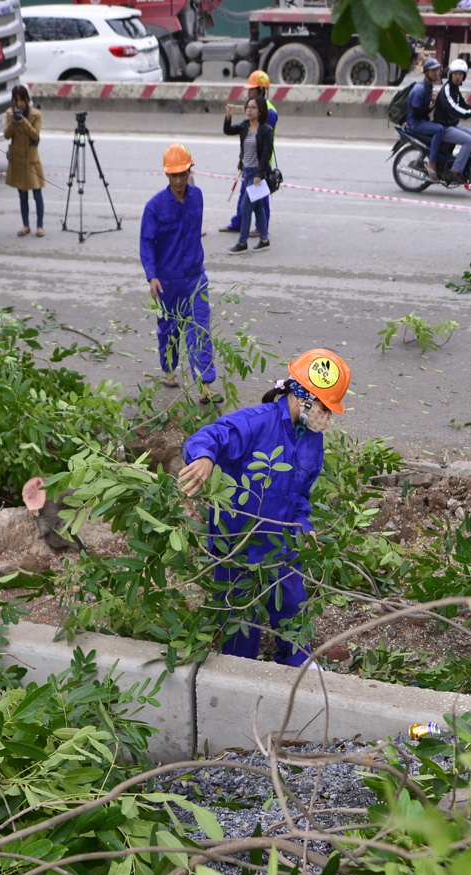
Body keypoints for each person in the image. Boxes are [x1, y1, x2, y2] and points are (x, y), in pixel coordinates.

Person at [176, 350, 351, 666]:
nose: (328, 416)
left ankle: (297, 664)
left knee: (292, 607)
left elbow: (300, 496)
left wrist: (303, 525)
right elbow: (210, 437)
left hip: (282, 548)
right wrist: (203, 457)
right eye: (327, 407)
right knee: (239, 621)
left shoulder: (312, 442)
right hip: (238, 546)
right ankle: (240, 672)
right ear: (305, 397)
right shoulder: (255, 424)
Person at [141, 145, 215, 401]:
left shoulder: (198, 197)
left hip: (195, 277)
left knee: (200, 330)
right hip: (167, 281)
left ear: (189, 170)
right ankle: (168, 368)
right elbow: (146, 242)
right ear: (166, 175)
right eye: (174, 175)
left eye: (183, 173)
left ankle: (205, 384)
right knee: (169, 330)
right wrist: (152, 276)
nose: (180, 180)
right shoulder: (154, 207)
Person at [221, 71, 278, 234]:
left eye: (252, 89)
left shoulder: (269, 112)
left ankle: (261, 229)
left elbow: (264, 143)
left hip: (261, 164)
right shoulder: (253, 110)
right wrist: (242, 159)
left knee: (261, 198)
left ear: (261, 90)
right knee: (243, 194)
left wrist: (261, 169)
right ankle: (238, 223)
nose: (248, 92)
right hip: (249, 162)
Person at [222, 97, 274, 253]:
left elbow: (266, 154)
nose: (249, 110)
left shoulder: (266, 130)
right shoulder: (245, 126)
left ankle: (242, 242)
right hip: (247, 171)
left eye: (253, 107)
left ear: (260, 111)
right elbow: (228, 130)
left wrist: (260, 174)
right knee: (257, 207)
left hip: (257, 174)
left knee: (245, 208)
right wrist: (228, 115)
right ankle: (264, 240)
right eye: (247, 107)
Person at [3, 86, 46, 238]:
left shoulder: (35, 115)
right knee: (22, 195)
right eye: (17, 100)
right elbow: (7, 135)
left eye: (22, 100)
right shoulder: (10, 114)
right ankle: (25, 225)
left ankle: (40, 225)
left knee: (37, 193)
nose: (19, 104)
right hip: (18, 160)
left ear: (27, 99)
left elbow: (35, 135)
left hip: (31, 160)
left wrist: (23, 121)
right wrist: (13, 122)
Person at [432, 58, 471, 181]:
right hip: (444, 127)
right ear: (450, 75)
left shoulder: (455, 89)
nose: (457, 77)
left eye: (460, 74)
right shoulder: (447, 90)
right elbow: (454, 109)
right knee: (469, 141)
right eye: (455, 74)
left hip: (452, 125)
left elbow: (464, 104)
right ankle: (455, 171)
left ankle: (465, 165)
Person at [404, 60, 449, 180]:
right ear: (426, 72)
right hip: (415, 123)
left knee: (442, 126)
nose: (436, 73)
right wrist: (431, 105)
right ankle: (432, 162)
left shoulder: (428, 86)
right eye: (433, 70)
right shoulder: (420, 89)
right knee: (439, 129)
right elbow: (416, 113)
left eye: (437, 70)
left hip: (421, 120)